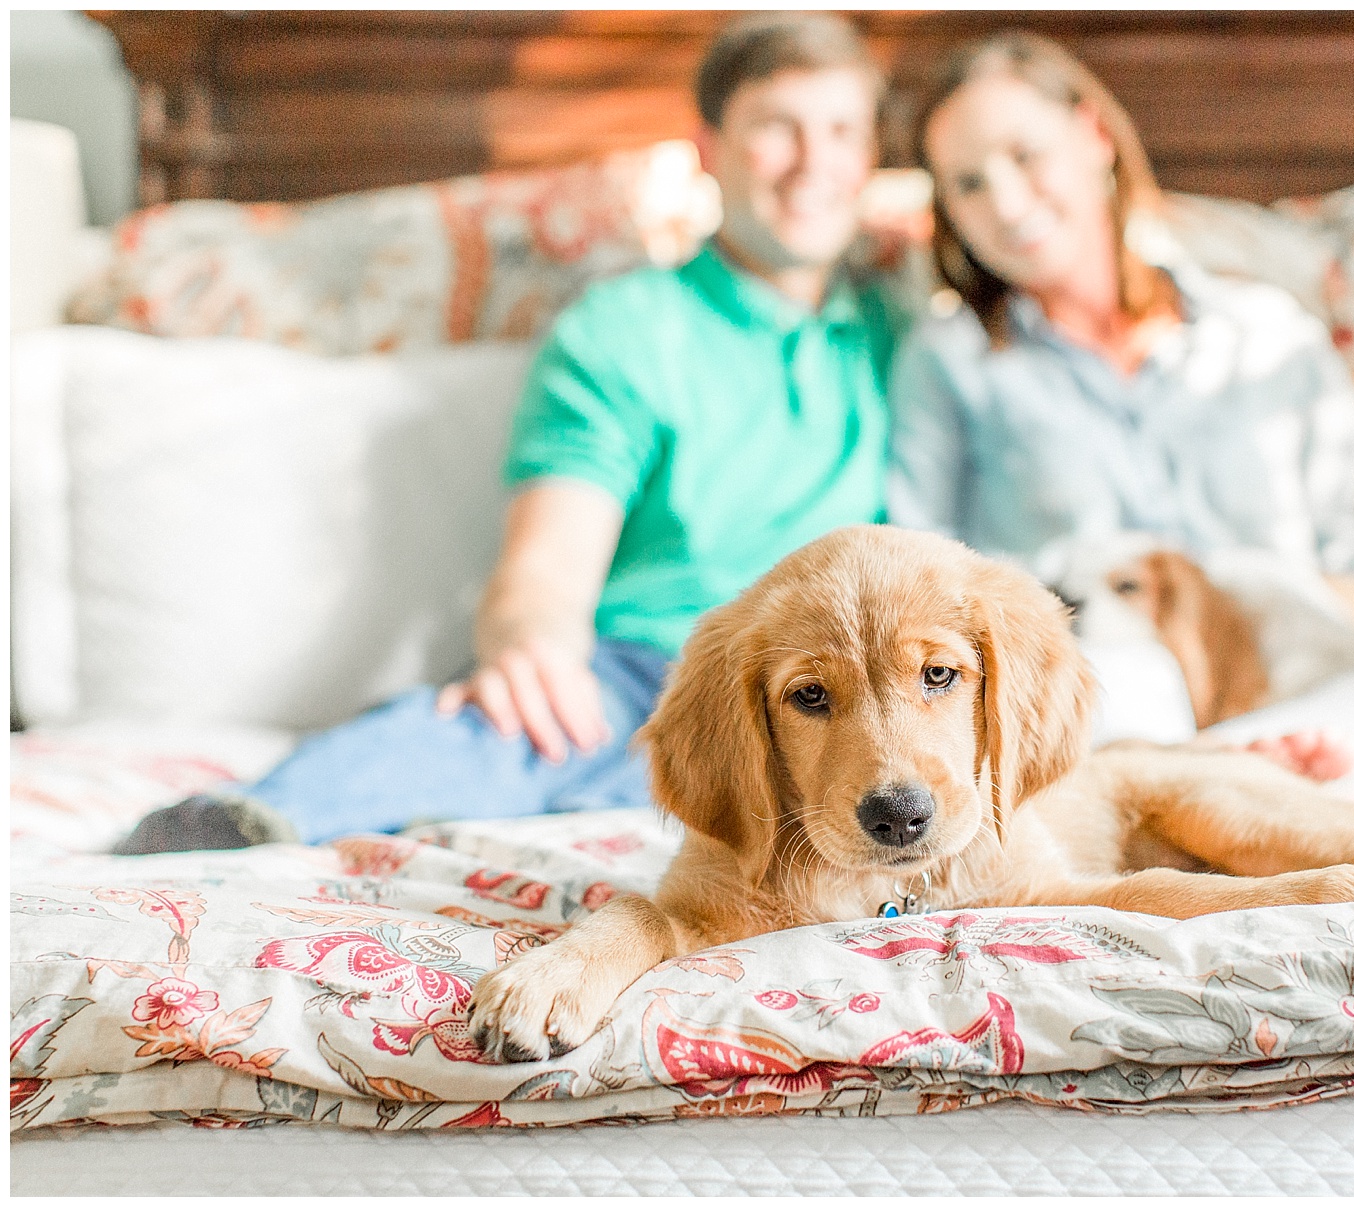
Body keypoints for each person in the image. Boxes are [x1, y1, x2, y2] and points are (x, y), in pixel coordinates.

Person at [119, 12, 896, 853]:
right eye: (778, 128)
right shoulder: (625, 328)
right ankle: (232, 825)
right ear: (708, 147)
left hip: (857, 684)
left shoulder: (905, 328)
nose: (816, 163)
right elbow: (547, 567)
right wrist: (532, 647)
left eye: (843, 132)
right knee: (512, 722)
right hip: (652, 674)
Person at [886, 31, 1354, 597]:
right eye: (968, 185)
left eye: (1026, 155)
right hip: (1089, 670)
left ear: (1095, 136)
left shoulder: (1265, 332)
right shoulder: (947, 363)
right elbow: (922, 588)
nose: (1008, 205)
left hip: (1291, 660)